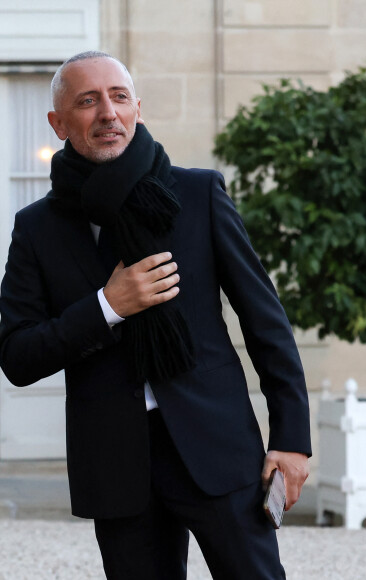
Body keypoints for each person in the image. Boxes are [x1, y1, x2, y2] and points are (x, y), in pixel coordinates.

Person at [0, 51, 311, 579]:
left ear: (137, 109)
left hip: (218, 448)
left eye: (119, 97)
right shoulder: (37, 227)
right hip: (117, 465)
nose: (108, 112)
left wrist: (291, 439)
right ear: (58, 123)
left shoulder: (197, 193)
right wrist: (106, 307)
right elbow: (17, 356)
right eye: (87, 100)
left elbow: (265, 321)